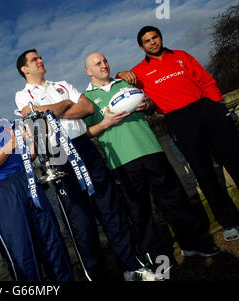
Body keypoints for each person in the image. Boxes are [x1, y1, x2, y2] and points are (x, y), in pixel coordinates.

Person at [15, 49, 159, 281]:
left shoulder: (61, 83)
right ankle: (98, 276)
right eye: (34, 60)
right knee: (82, 223)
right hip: (59, 155)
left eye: (41, 56)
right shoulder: (22, 95)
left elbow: (88, 108)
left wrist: (54, 110)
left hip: (84, 147)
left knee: (112, 209)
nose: (41, 60)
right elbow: (34, 116)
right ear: (24, 69)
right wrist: (64, 104)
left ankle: (133, 267)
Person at [83, 52, 219, 262]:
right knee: (139, 211)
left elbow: (152, 109)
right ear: (88, 71)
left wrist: (148, 106)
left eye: (105, 61)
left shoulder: (125, 84)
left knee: (174, 199)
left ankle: (192, 243)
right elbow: (87, 132)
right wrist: (104, 123)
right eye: (97, 64)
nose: (104, 65)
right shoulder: (87, 99)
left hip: (151, 149)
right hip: (122, 161)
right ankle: (157, 257)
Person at [118, 26, 239, 242]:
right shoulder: (140, 72)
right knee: (204, 173)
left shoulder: (181, 56)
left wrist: (218, 106)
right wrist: (120, 74)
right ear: (141, 46)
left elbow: (205, 80)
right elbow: (120, 84)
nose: (153, 42)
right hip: (179, 120)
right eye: (147, 40)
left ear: (160, 37)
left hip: (207, 109)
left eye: (155, 37)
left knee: (235, 159)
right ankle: (229, 222)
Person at [0, 78, 73, 281]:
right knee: (21, 250)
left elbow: (29, 156)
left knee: (51, 239)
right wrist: (8, 146)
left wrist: (32, 140)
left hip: (27, 179)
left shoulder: (8, 124)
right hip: (1, 189)